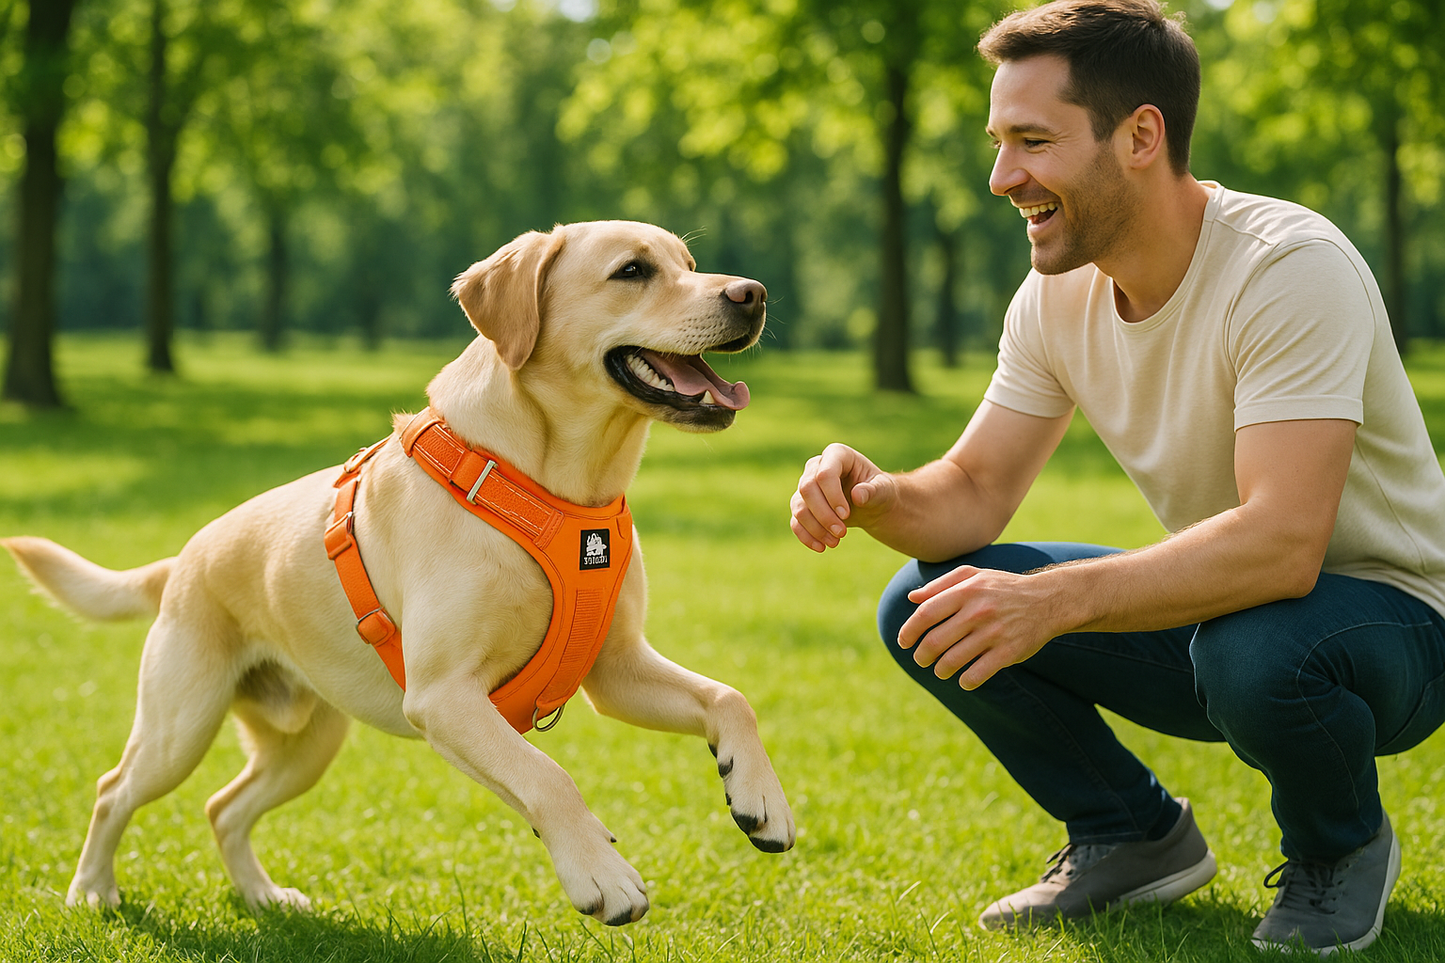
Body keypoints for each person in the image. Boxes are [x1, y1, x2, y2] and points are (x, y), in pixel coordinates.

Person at [789, 0, 1445, 954]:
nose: (999, 175)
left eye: (1032, 141)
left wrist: (1053, 601)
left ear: (1140, 135)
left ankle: (1338, 849)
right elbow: (972, 492)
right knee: (930, 600)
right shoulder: (1055, 293)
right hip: (1232, 612)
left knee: (1250, 650)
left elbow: (1282, 542)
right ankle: (1127, 833)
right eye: (997, 141)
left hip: (1393, 627)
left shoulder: (1287, 268)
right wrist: (873, 494)